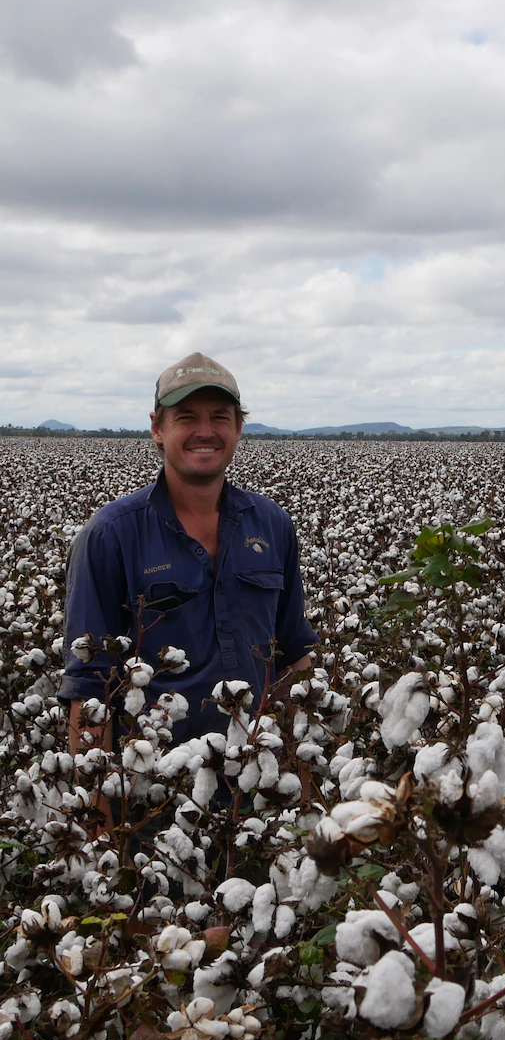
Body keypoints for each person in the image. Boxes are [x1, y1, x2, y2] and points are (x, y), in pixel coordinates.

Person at [59, 352, 318, 824]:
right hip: (150, 804)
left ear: (239, 428)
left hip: (257, 798)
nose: (205, 431)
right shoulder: (111, 535)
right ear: (158, 428)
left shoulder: (273, 525)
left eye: (220, 417)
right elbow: (88, 688)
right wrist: (99, 831)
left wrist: (304, 780)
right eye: (187, 418)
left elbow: (295, 655)